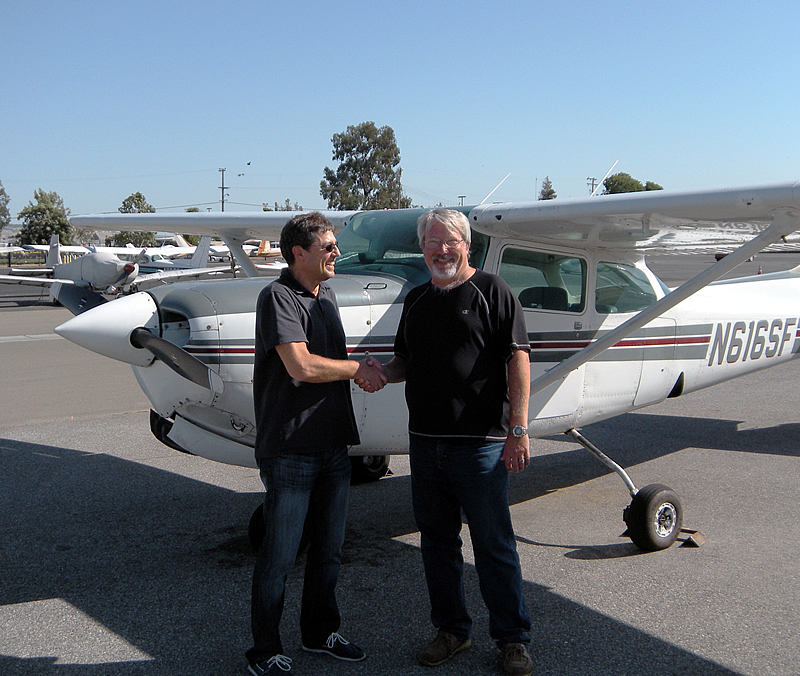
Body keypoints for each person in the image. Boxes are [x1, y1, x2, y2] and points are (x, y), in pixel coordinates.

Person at [378, 208, 534, 676]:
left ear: (468, 245)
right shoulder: (417, 300)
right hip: (426, 445)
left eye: (451, 242)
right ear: (421, 247)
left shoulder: (492, 291)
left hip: (481, 444)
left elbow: (518, 358)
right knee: (437, 544)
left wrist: (519, 428)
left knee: (494, 545)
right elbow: (403, 360)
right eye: (432, 242)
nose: (441, 250)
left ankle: (513, 639)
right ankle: (452, 631)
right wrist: (380, 374)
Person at [246, 212, 386, 675]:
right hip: (291, 449)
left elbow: (328, 365)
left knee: (329, 550)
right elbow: (302, 367)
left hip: (332, 445)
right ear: (298, 253)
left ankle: (320, 631)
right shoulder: (278, 297)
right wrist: (357, 370)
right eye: (328, 247)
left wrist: (360, 369)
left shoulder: (325, 297)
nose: (336, 253)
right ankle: (264, 652)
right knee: (280, 557)